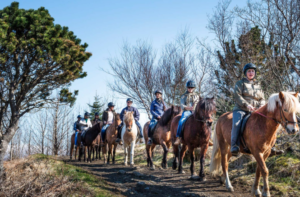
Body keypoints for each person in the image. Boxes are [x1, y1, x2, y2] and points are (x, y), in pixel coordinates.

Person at [230, 63, 283, 156]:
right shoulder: (240, 83)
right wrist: (247, 105)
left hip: (256, 110)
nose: (251, 73)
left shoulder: (258, 85)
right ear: (245, 73)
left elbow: (262, 98)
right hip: (241, 109)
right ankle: (234, 145)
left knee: (271, 121)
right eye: (249, 71)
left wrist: (261, 105)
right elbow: (237, 96)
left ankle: (272, 146)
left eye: (253, 71)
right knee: (236, 123)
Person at [174, 80, 199, 145]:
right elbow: (182, 105)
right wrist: (189, 108)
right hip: (186, 111)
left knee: (204, 120)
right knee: (181, 121)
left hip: (195, 112)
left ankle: (207, 138)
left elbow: (198, 104)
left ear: (194, 88)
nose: (190, 89)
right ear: (187, 88)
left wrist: (195, 109)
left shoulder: (197, 96)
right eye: (189, 88)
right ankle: (178, 137)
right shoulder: (183, 96)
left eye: (191, 88)